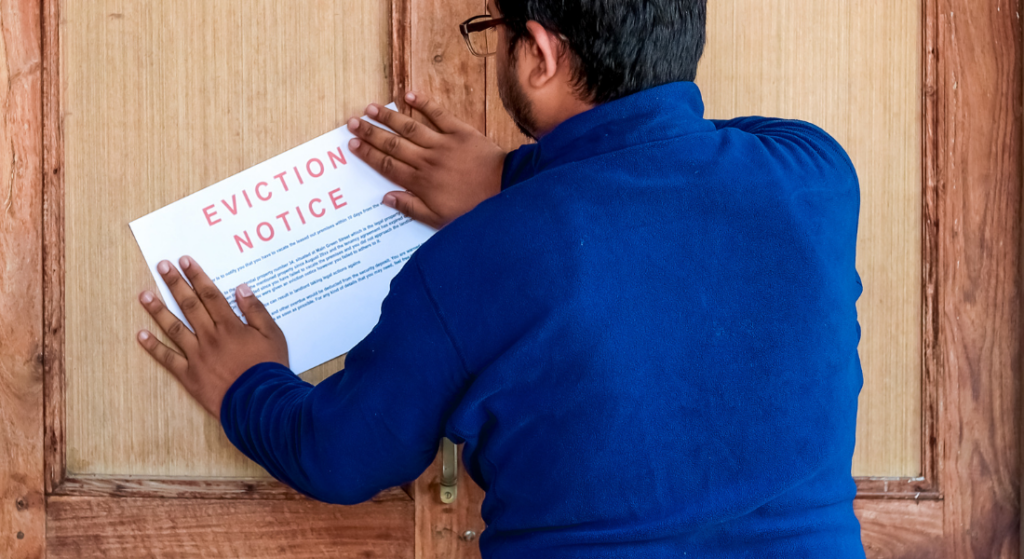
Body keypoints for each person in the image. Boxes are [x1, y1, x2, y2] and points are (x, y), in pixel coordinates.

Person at [134, 0, 866, 556]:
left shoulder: (472, 260)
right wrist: (510, 179)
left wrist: (247, 382)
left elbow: (342, 456)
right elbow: (669, 158)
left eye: (495, 29)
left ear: (540, 50)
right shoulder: (816, 175)